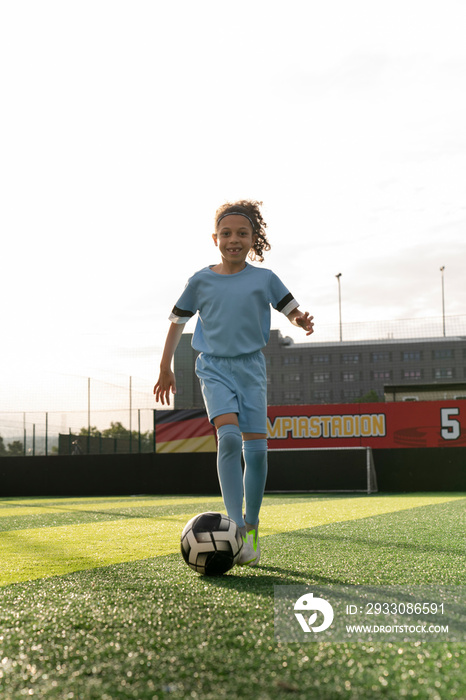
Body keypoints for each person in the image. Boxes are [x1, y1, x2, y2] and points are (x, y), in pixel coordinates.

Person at [154, 200, 314, 567]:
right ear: (215, 238)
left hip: (251, 370)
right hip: (213, 367)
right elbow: (177, 323)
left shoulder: (265, 278)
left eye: (242, 233)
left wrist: (301, 320)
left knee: (256, 452)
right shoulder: (200, 280)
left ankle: (253, 526)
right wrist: (165, 367)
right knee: (228, 438)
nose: (234, 239)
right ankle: (235, 526)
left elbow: (291, 310)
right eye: (226, 233)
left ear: (254, 238)